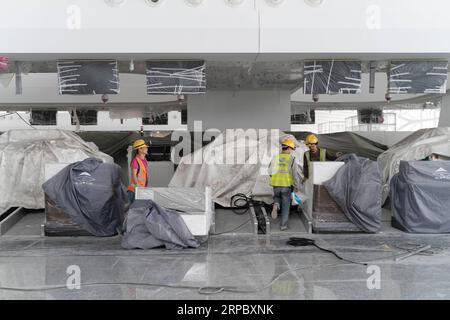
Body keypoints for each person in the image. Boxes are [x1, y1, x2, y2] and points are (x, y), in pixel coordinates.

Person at [269, 138, 302, 231]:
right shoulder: (292, 159)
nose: (292, 151)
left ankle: (276, 204)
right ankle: (283, 225)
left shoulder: (275, 158)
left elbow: (270, 171)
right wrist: (296, 186)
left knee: (277, 197)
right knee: (286, 206)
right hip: (286, 185)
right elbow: (294, 174)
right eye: (291, 149)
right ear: (288, 148)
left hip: (276, 184)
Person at [127, 139, 149, 205]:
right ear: (140, 149)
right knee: (130, 210)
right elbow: (134, 175)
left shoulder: (145, 160)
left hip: (141, 189)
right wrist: (138, 188)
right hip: (134, 190)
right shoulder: (135, 161)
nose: (147, 149)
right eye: (145, 147)